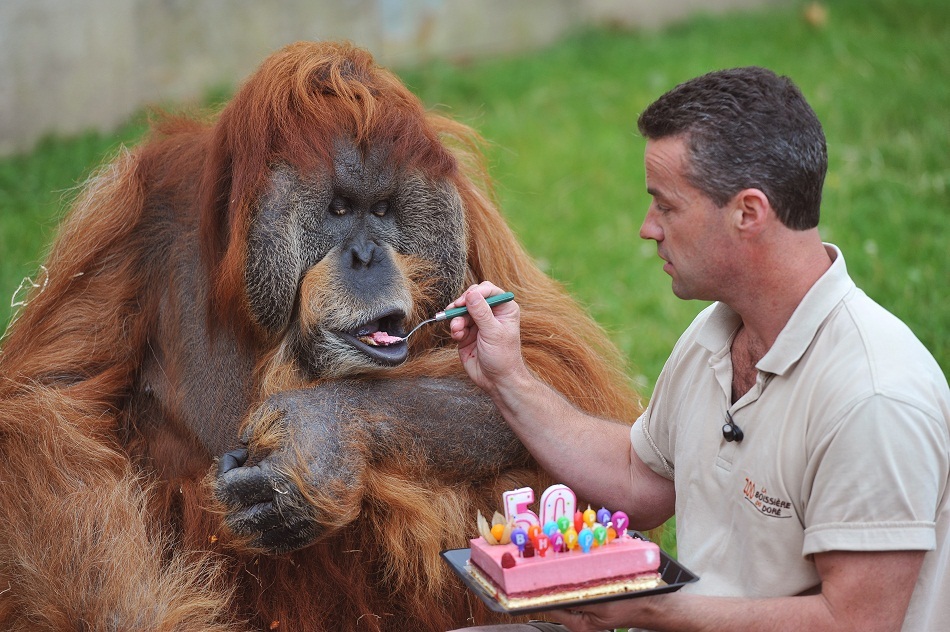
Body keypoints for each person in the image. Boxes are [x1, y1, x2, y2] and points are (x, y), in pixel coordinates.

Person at [446, 67, 950, 632]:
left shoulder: (875, 396)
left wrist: (651, 608)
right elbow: (641, 480)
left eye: (665, 205)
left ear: (748, 213)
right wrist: (507, 377)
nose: (647, 228)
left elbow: (857, 623)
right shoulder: (716, 333)